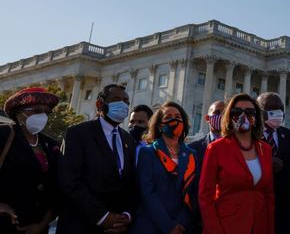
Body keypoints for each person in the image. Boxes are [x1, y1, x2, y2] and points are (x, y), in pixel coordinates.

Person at [58, 84, 137, 234]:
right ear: (100, 104)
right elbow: (69, 181)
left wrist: (127, 215)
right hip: (81, 225)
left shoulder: (127, 139)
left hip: (117, 227)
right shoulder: (77, 133)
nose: (123, 104)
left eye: (126, 101)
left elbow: (131, 182)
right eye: (116, 99)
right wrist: (103, 216)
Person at [199, 93, 275, 234]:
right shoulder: (216, 148)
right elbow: (205, 196)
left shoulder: (265, 149)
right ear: (229, 116)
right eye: (237, 112)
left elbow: (268, 194)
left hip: (259, 225)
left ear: (257, 117)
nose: (243, 116)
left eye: (250, 112)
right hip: (227, 226)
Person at [131, 102, 199, 234]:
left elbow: (194, 193)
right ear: (159, 125)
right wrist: (169, 226)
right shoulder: (147, 153)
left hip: (183, 227)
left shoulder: (192, 154)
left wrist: (181, 223)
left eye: (178, 116)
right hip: (151, 226)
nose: (174, 120)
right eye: (168, 117)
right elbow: (147, 193)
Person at [0, 87, 60, 234]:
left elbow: (58, 189)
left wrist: (42, 224)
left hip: (38, 227)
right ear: (19, 112)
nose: (43, 116)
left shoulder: (52, 145)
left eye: (47, 112)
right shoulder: (4, 134)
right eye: (37, 110)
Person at [257, 92, 290, 234]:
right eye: (271, 109)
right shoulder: (249, 137)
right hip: (256, 209)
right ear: (260, 112)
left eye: (280, 109)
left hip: (285, 211)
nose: (278, 113)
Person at [187, 100, 224, 169]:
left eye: (225, 113)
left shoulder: (238, 147)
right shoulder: (193, 149)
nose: (222, 116)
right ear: (207, 118)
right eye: (217, 113)